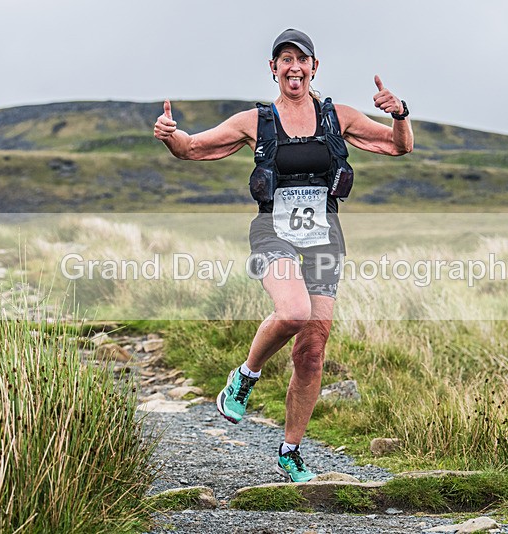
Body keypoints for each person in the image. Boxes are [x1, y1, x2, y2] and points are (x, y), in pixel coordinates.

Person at [154, 28, 413, 482]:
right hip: (272, 231)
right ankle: (246, 375)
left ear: (315, 67)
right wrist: (170, 136)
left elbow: (398, 145)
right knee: (293, 311)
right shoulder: (257, 121)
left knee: (312, 352)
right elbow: (194, 148)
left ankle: (290, 452)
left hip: (324, 237)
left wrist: (400, 114)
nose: (294, 67)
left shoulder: (340, 117)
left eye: (302, 59)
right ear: (273, 69)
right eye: (285, 59)